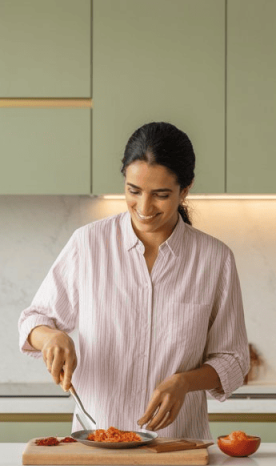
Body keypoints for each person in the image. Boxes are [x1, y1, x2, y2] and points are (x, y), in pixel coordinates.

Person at [18, 122, 250, 439]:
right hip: (97, 446)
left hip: (178, 450)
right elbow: (33, 320)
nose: (143, 207)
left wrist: (184, 382)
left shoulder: (214, 259)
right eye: (133, 191)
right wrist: (51, 338)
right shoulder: (88, 245)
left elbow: (234, 360)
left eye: (161, 195)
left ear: (185, 189)